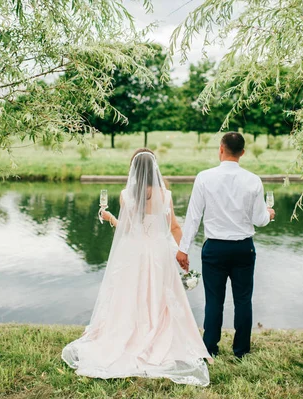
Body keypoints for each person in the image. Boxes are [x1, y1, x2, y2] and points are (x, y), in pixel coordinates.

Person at [62, 149, 213, 386]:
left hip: (134, 253)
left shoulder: (126, 195)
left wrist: (110, 217)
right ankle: (158, 336)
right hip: (158, 253)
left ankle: (129, 336)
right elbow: (173, 226)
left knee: (129, 295)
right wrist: (183, 253)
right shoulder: (166, 195)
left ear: (133, 169)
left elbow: (129, 228)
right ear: (155, 170)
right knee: (159, 296)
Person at [176, 132, 275, 359]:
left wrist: (183, 249)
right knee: (243, 300)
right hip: (243, 249)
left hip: (214, 250)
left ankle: (209, 348)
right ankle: (241, 350)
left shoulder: (204, 177)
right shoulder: (253, 180)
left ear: (221, 149)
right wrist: (269, 213)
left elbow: (193, 217)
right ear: (242, 152)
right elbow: (259, 220)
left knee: (213, 301)